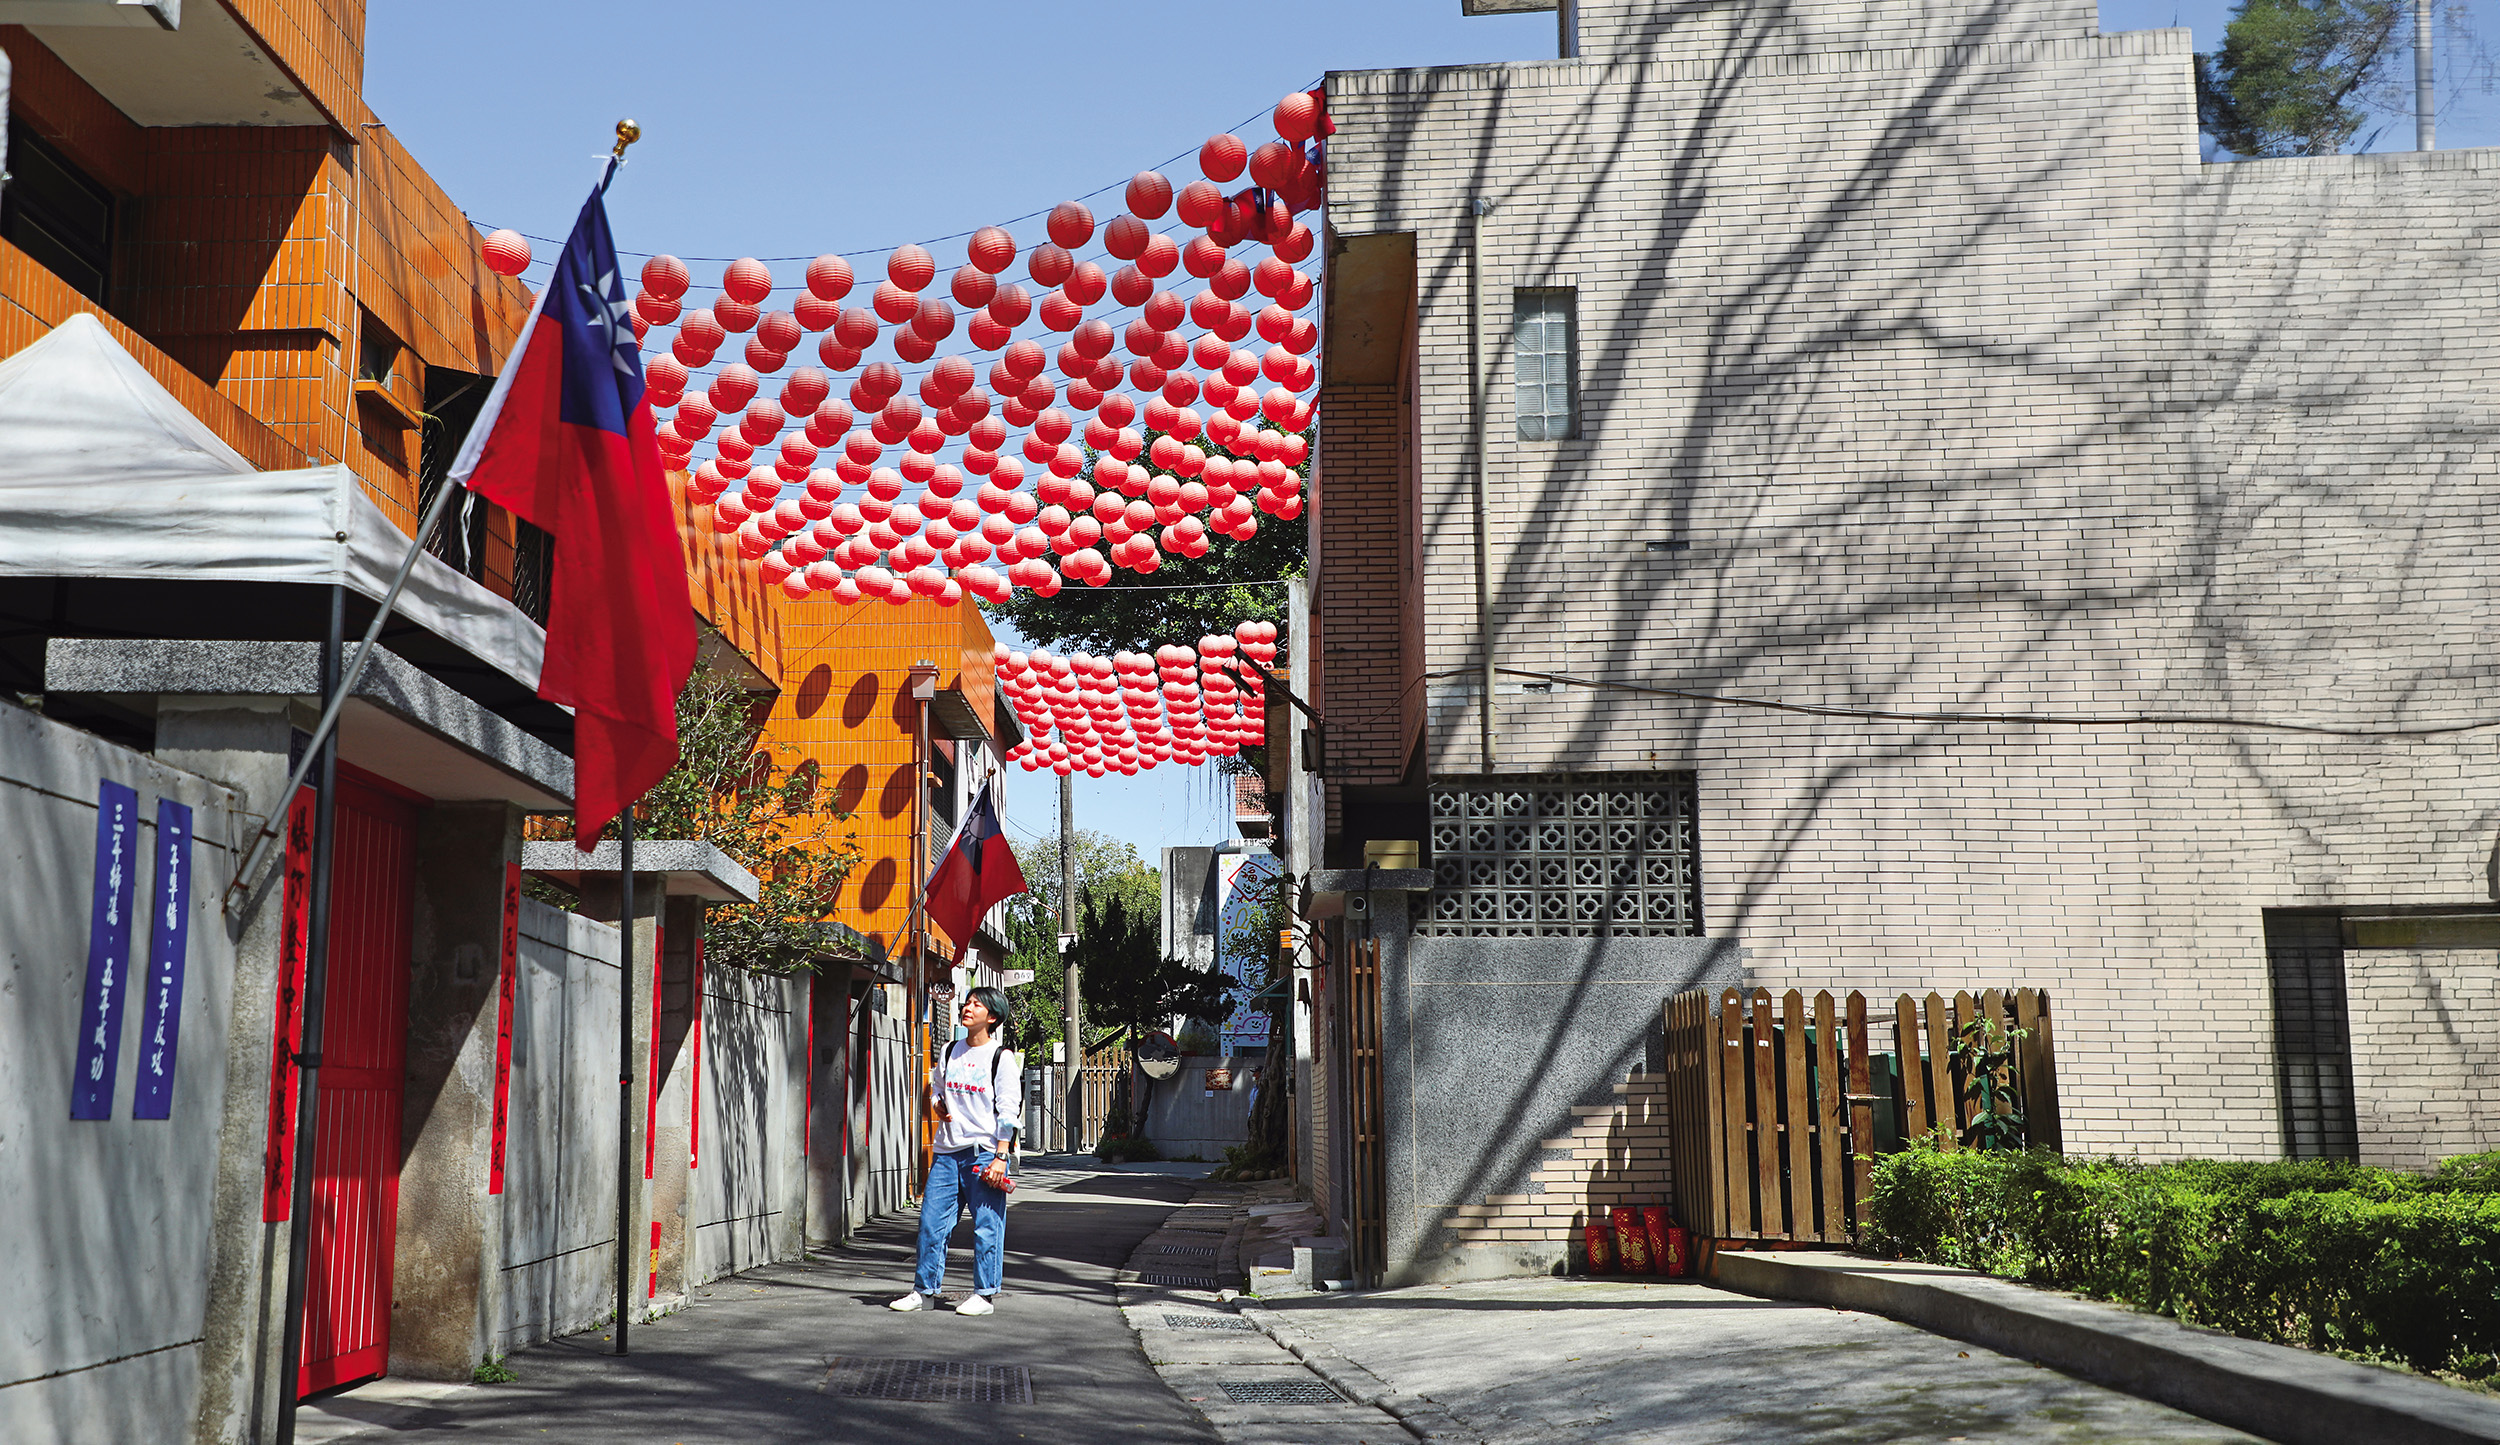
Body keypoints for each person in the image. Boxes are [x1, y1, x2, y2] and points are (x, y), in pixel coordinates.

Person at [890, 985, 1022, 1315]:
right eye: (967, 1003)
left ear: (991, 1017)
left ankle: (984, 1295)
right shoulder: (950, 1050)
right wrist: (937, 1106)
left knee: (987, 1226)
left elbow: (1008, 1110)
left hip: (983, 1153)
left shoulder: (1000, 1058)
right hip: (947, 1152)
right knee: (932, 1224)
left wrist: (1001, 1156)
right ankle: (924, 1291)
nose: (967, 1008)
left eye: (977, 1005)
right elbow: (935, 1089)